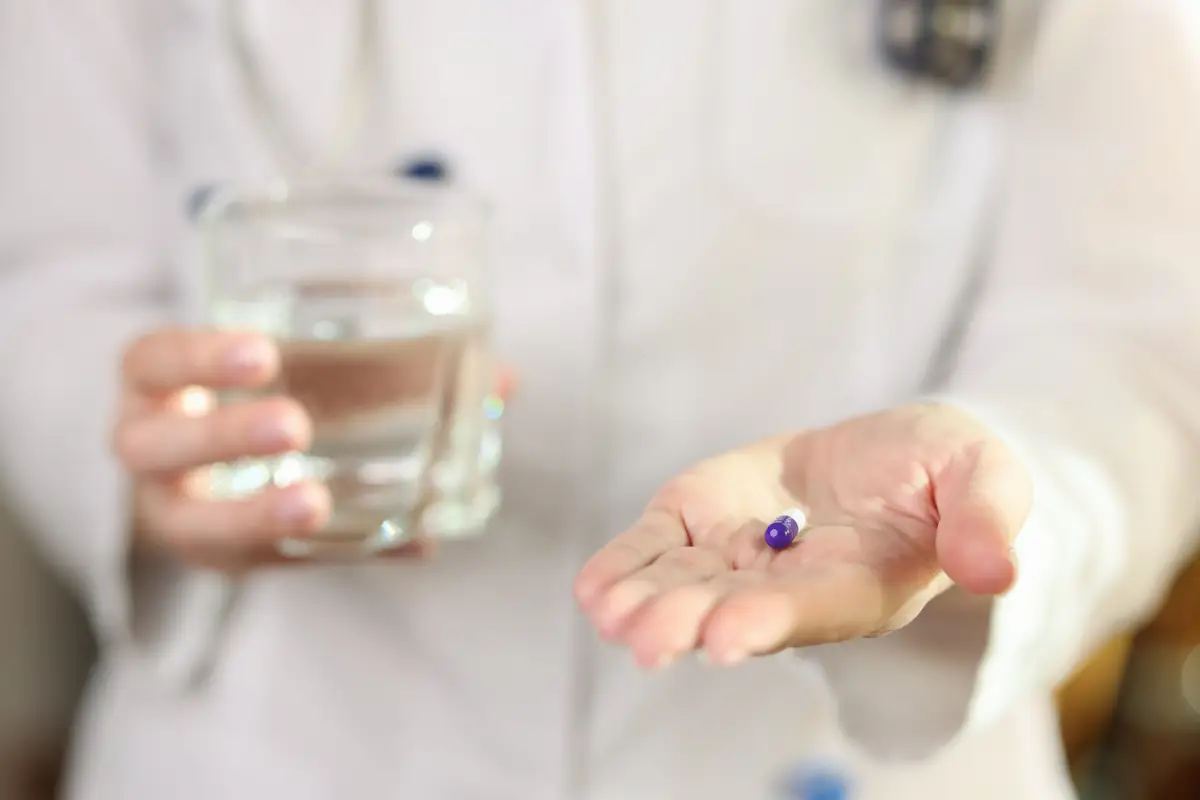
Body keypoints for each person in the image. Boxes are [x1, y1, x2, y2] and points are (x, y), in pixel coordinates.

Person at [2, 1, 1199, 798]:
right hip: (282, 742)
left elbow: (1138, 338)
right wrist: (143, 459)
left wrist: (985, 482)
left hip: (830, 756)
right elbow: (43, 271)